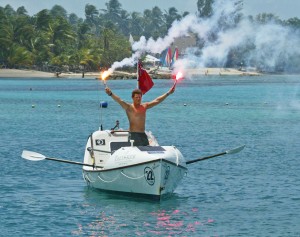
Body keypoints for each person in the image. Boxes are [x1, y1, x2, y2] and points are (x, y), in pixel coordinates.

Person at [105, 85, 175, 146]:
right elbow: (119, 100)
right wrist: (110, 93)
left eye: (140, 97)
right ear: (132, 98)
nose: (138, 99)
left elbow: (157, 100)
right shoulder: (129, 107)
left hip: (143, 135)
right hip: (133, 135)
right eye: (136, 97)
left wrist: (168, 93)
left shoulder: (144, 106)